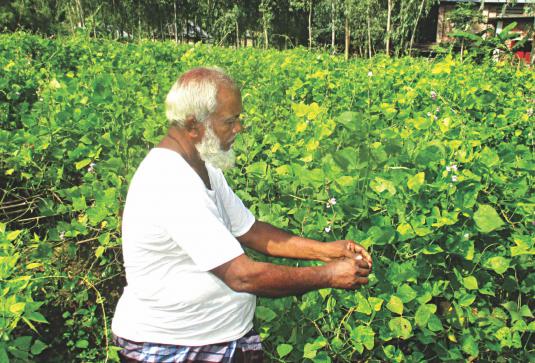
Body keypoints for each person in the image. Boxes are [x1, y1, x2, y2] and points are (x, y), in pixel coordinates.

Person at [111, 67, 373, 363]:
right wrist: (328, 275)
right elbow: (242, 276)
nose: (238, 129)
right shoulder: (170, 180)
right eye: (230, 121)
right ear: (193, 125)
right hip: (174, 347)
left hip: (218, 338)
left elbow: (251, 230)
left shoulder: (201, 162)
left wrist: (325, 250)